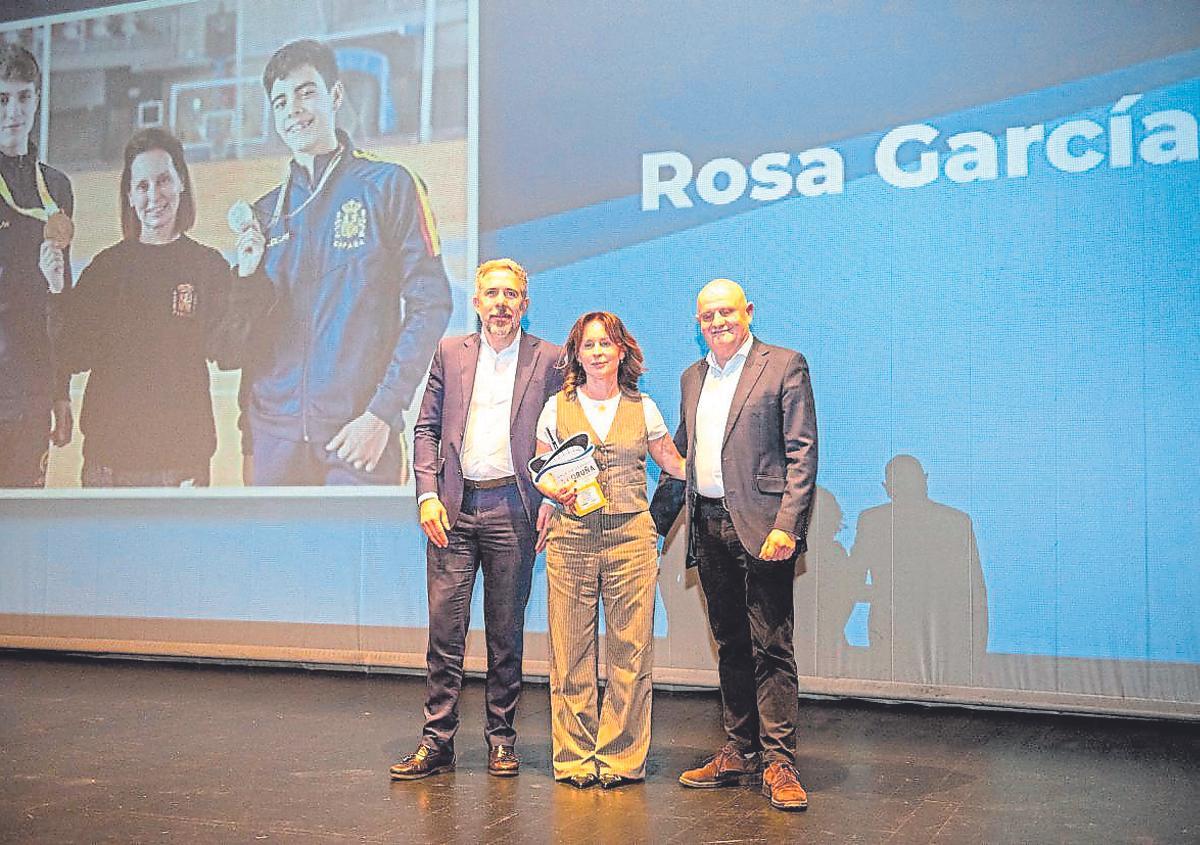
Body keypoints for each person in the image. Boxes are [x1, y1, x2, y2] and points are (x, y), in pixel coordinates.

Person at [219, 38, 451, 484]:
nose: (294, 111)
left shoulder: (389, 185)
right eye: (281, 101)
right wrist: (251, 439)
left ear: (335, 96)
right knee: (275, 557)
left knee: (355, 557)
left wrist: (382, 413)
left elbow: (431, 304)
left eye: (307, 92)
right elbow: (247, 345)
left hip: (357, 437)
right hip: (274, 441)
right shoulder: (265, 214)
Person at [389, 258, 561, 780]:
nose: (501, 303)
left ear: (524, 304)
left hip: (515, 508)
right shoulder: (449, 352)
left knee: (505, 634)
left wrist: (552, 497)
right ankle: (436, 741)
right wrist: (426, 495)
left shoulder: (550, 359)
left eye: (511, 294)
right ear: (478, 302)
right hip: (454, 511)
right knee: (446, 634)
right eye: (492, 293)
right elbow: (425, 428)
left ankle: (501, 740)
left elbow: (561, 434)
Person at [668, 279, 817, 812]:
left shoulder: (783, 365)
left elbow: (802, 453)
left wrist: (789, 525)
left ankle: (780, 760)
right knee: (729, 643)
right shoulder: (692, 377)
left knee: (771, 645)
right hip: (706, 527)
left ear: (748, 312)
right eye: (707, 315)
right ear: (698, 322)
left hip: (763, 529)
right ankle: (740, 750)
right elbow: (683, 459)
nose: (717, 322)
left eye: (726, 312)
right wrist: (652, 526)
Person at [535, 311, 686, 790]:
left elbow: (674, 466)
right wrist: (549, 492)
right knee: (569, 650)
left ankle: (621, 758)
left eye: (606, 343)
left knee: (631, 650)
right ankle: (576, 757)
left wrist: (729, 472)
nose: (597, 352)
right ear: (576, 354)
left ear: (622, 350)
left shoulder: (645, 408)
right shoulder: (555, 407)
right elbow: (541, 472)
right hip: (571, 539)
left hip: (630, 541)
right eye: (588, 344)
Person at [60, 129, 242, 487]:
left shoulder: (207, 266)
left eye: (163, 181)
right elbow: (72, 353)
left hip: (182, 468)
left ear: (181, 185)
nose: (154, 196)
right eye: (142, 186)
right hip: (108, 468)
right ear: (129, 195)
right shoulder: (105, 270)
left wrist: (249, 276)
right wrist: (55, 290)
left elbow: (229, 352)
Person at [0, 44, 73, 487]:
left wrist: (60, 392)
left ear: (37, 99)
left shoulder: (56, 188)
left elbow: (56, 303)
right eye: (2, 98)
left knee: (24, 523)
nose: (14, 112)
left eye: (24, 97)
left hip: (30, 392)